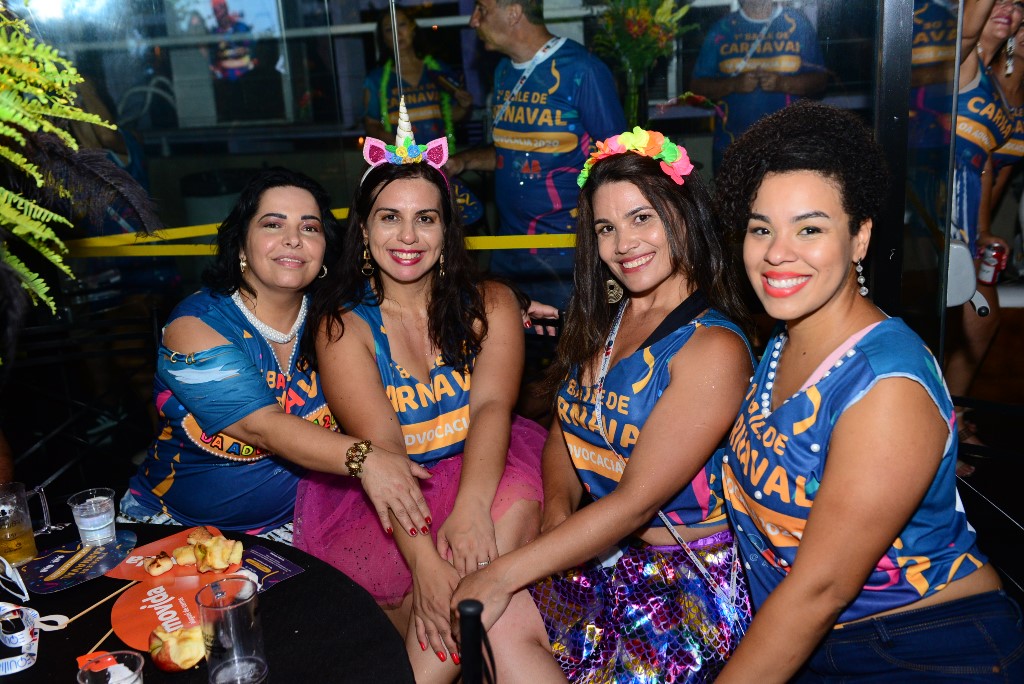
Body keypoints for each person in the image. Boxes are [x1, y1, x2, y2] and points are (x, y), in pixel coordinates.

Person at [713, 101, 1024, 681]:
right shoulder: (781, 342)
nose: (777, 252)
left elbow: (821, 589)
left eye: (810, 228)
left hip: (922, 648)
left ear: (860, 238)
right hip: (815, 639)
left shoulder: (885, 387)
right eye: (761, 229)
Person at [449, 127, 754, 681]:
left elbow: (636, 502)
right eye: (606, 228)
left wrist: (503, 573)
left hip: (684, 587)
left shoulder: (714, 348)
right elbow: (566, 431)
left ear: (684, 216)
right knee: (491, 622)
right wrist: (557, 511)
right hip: (607, 554)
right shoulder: (610, 319)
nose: (623, 243)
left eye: (642, 218)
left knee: (493, 592)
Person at [292, 123, 545, 683]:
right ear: (364, 230)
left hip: (487, 467)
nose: (408, 236)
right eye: (390, 217)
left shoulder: (492, 304)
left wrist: (471, 507)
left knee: (494, 539)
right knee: (449, 606)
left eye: (425, 218)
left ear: (447, 230)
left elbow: (492, 408)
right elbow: (384, 454)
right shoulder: (343, 328)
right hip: (392, 495)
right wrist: (425, 562)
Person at [120, 168, 428, 544]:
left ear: (324, 249)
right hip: (176, 527)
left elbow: (416, 304)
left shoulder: (340, 320)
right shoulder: (195, 325)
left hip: (300, 529)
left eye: (309, 228)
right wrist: (367, 459)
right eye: (273, 224)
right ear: (240, 245)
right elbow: (262, 426)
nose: (293, 240)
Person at [445, 0, 625, 311]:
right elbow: (512, 150)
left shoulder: (583, 71)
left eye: (482, 9)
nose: (473, 21)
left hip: (566, 255)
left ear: (514, 13)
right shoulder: (503, 72)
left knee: (570, 338)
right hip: (508, 250)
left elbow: (620, 162)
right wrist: (463, 162)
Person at [947, 0, 1022, 456]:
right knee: (966, 318)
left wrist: (983, 232)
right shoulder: (964, 57)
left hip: (966, 215)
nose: (1007, 9)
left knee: (980, 317)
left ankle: (949, 419)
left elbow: (988, 165)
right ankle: (942, 428)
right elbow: (967, 28)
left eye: (1017, 5)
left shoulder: (997, 87)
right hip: (932, 207)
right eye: (999, 0)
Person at [690, 0, 826, 174]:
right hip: (733, 148)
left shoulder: (797, 23)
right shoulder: (722, 29)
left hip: (789, 147)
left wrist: (782, 83)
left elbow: (820, 80)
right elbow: (697, 87)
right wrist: (733, 84)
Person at [363, 6, 472, 150]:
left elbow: (449, 116)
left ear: (413, 29)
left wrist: (464, 106)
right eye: (389, 30)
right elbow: (371, 124)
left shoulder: (438, 70)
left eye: (402, 25)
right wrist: (396, 144)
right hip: (402, 159)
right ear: (383, 39)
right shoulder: (376, 79)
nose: (397, 33)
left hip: (438, 156)